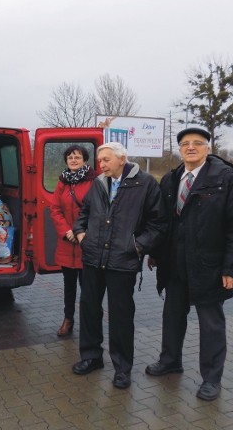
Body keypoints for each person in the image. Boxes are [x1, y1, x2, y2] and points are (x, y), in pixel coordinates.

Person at [146, 128, 233, 402]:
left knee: (211, 324)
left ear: (207, 147)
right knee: (172, 316)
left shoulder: (225, 179)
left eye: (197, 143)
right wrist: (155, 252)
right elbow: (162, 222)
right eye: (185, 144)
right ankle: (170, 360)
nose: (190, 148)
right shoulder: (170, 179)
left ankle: (211, 379)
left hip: (209, 267)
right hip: (175, 264)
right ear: (179, 149)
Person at [72, 142, 166, 389]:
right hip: (93, 258)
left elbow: (158, 223)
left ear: (122, 159)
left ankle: (122, 368)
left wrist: (137, 246)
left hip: (122, 261)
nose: (100, 164)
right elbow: (84, 214)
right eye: (99, 160)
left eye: (105, 160)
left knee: (121, 316)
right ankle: (91, 357)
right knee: (89, 310)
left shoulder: (145, 184)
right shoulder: (98, 183)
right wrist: (82, 235)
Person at [49, 145, 98, 337]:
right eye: (70, 157)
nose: (73, 160)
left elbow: (97, 210)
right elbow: (55, 209)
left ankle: (90, 324)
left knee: (88, 289)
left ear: (85, 159)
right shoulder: (62, 182)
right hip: (67, 242)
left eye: (77, 157)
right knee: (68, 287)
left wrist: (81, 232)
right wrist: (67, 231)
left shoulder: (94, 181)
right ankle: (68, 319)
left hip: (86, 241)